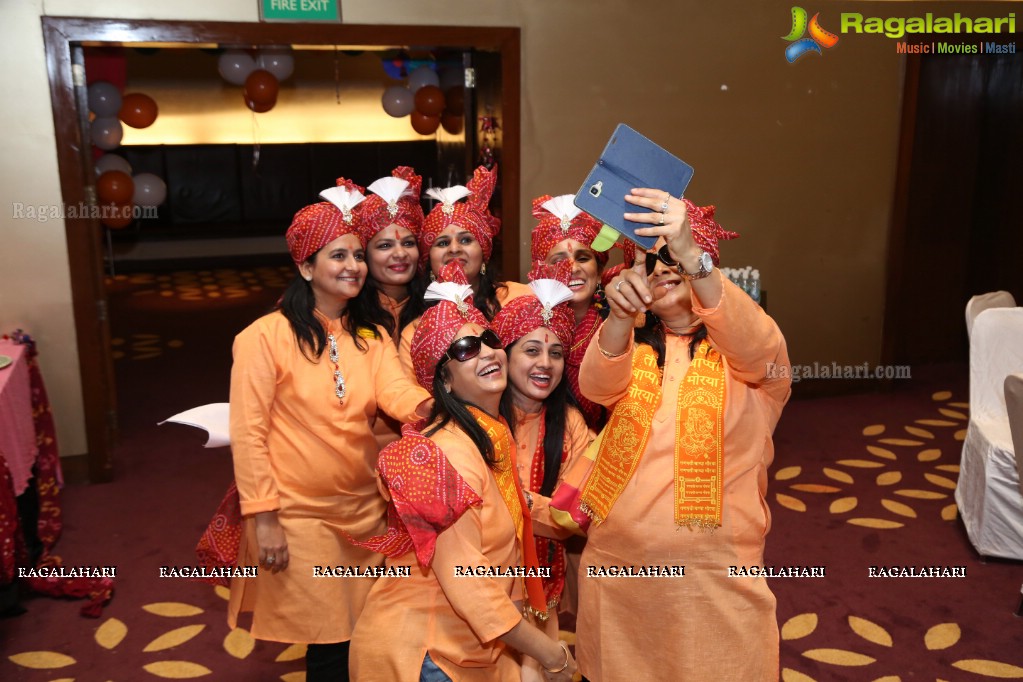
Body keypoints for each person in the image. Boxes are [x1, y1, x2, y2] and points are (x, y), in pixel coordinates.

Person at [551, 189, 791, 681]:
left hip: (714, 575)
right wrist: (619, 319)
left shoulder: (750, 364)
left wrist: (692, 257)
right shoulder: (635, 351)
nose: (662, 267)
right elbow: (596, 384)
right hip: (619, 569)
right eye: (650, 262)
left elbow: (757, 343)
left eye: (673, 258)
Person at [227, 180, 431, 682]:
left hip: (365, 513)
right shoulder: (263, 338)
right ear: (305, 267)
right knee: (328, 642)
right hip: (299, 515)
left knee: (366, 633)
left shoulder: (370, 336)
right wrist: (265, 518)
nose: (354, 266)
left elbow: (398, 393)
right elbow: (248, 433)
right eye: (338, 255)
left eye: (358, 255)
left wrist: (448, 414)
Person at [349, 261, 576, 682]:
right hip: (427, 653)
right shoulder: (443, 454)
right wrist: (552, 655)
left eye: (488, 340)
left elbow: (510, 521)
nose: (488, 351)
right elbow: (470, 584)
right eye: (465, 350)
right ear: (445, 381)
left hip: (471, 647)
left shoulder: (487, 436)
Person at [492, 261, 595, 625]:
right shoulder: (481, 417)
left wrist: (513, 498)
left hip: (542, 578)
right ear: (504, 355)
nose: (545, 363)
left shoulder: (570, 424)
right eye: (531, 350)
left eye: (555, 354)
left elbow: (577, 513)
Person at [398, 165, 529, 379]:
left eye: (466, 240)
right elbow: (410, 392)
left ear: (484, 252)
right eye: (442, 243)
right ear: (428, 261)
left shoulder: (517, 298)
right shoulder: (415, 330)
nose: (454, 249)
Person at [530, 194, 632, 432]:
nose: (573, 268)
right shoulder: (526, 331)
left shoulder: (619, 328)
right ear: (542, 273)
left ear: (598, 272)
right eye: (559, 259)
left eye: (583, 258)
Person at [357, 166, 425, 449]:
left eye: (408, 243)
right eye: (384, 245)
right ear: (364, 254)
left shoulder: (435, 307)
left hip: (426, 441)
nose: (400, 253)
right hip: (359, 449)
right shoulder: (348, 311)